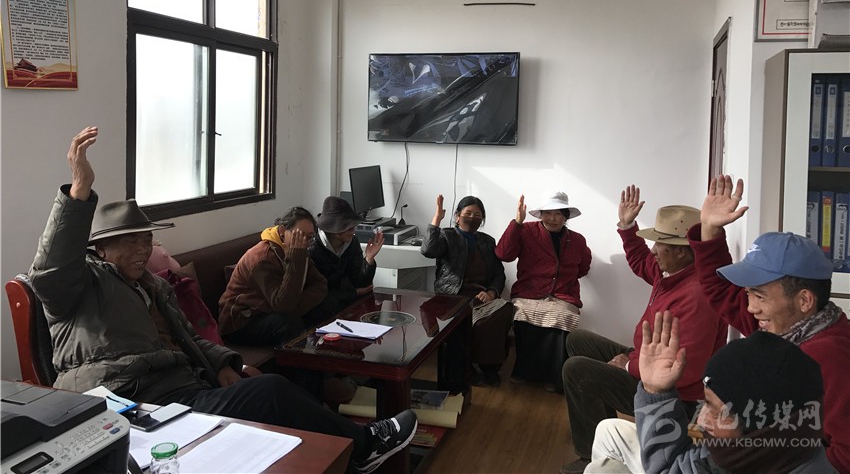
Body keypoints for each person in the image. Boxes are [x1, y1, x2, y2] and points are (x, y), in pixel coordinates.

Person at [30, 127, 416, 474]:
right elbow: (49, 271)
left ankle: (343, 449)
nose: (143, 248)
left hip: (181, 390)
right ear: (100, 248)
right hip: (125, 398)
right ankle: (364, 446)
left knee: (273, 389)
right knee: (272, 387)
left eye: (147, 239)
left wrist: (225, 362)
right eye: (131, 240)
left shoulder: (154, 286)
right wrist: (79, 193)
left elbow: (189, 338)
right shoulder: (81, 285)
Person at [689, 174, 850, 473]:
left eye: (759, 295)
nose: (751, 308)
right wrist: (710, 229)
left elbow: (844, 454)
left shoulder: (830, 357)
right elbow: (721, 291)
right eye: (748, 294)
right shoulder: (783, 328)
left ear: (804, 300)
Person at [560, 187, 727, 474]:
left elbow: (686, 369)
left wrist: (628, 366)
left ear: (681, 251)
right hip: (646, 359)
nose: (653, 250)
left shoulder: (697, 295)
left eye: (659, 244)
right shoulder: (673, 273)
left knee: (576, 370)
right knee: (578, 340)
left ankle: (590, 457)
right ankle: (600, 426)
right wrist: (627, 226)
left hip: (673, 393)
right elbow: (642, 261)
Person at [635, 311, 833, 474]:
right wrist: (656, 390)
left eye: (714, 410)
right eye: (705, 403)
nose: (701, 421)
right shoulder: (739, 454)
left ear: (762, 426)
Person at [495, 191, 592, 391]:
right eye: (548, 213)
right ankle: (522, 371)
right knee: (523, 314)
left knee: (563, 315)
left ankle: (553, 377)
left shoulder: (577, 240)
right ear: (541, 215)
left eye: (558, 214)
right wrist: (517, 223)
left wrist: (564, 282)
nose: (552, 218)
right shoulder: (526, 230)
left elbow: (583, 267)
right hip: (529, 292)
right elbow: (503, 254)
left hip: (563, 295)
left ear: (566, 217)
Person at [420, 194, 513, 386]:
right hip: (452, 296)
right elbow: (428, 250)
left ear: (482, 219)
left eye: (477, 215)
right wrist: (436, 219)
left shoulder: (488, 241)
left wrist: (491, 292)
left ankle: (489, 367)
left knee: (504, 310)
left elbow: (499, 273)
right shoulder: (447, 236)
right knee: (465, 322)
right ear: (457, 216)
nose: (472, 218)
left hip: (481, 296)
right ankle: (466, 366)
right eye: (468, 213)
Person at [218, 206, 328, 346]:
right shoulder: (262, 258)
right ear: (282, 231)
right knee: (288, 322)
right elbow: (283, 305)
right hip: (242, 321)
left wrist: (295, 305)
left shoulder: (299, 250)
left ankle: (326, 353)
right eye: (299, 235)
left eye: (310, 237)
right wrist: (296, 257)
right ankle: (299, 359)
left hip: (271, 309)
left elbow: (320, 284)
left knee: (327, 304)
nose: (304, 241)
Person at [309, 195, 382, 315]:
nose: (353, 230)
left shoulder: (352, 243)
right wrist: (354, 293)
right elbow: (318, 294)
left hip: (345, 304)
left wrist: (369, 259)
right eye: (349, 227)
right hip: (322, 308)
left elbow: (361, 284)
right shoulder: (313, 249)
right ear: (335, 230)